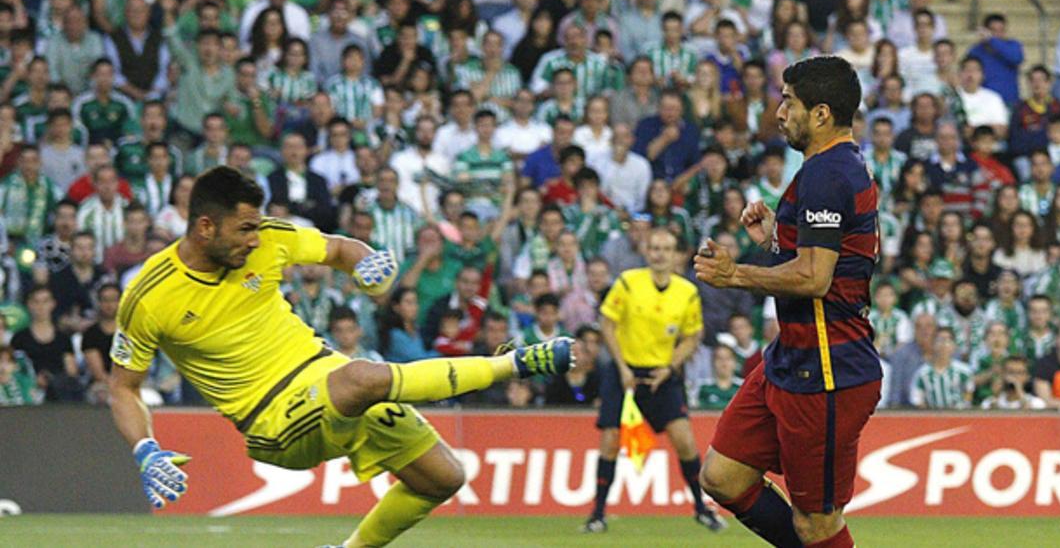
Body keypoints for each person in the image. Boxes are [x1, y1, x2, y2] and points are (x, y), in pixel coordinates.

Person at [106, 166, 573, 544]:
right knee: (363, 377)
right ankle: (512, 364)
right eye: (244, 228)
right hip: (272, 421)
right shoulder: (150, 295)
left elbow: (337, 248)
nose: (254, 239)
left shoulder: (269, 238)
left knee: (442, 478)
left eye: (256, 227)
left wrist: (365, 261)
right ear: (205, 227)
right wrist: (145, 449)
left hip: (323, 377)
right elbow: (123, 388)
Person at [693, 56, 880, 548]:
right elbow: (824, 261)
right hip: (791, 358)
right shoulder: (825, 169)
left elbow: (816, 279)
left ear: (820, 114)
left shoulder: (828, 173)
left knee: (816, 524)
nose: (779, 112)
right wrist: (777, 238)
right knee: (722, 476)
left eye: (788, 102)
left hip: (827, 368)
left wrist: (735, 275)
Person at [584, 227, 721, 534]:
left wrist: (670, 367)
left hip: (662, 374)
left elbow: (692, 336)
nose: (660, 253)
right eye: (655, 248)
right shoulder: (628, 283)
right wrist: (622, 368)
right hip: (625, 372)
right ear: (647, 251)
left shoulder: (686, 291)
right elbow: (607, 324)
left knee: (685, 441)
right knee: (610, 441)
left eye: (666, 249)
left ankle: (701, 508)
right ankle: (598, 514)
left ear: (676, 255)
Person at [980, 356, 1046, 410]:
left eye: (1019, 372)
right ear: (1003, 374)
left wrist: (1019, 391)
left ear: (1027, 377)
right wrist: (996, 396)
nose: (1015, 376)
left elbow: (1031, 418)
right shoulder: (990, 401)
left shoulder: (1036, 402)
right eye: (1010, 372)